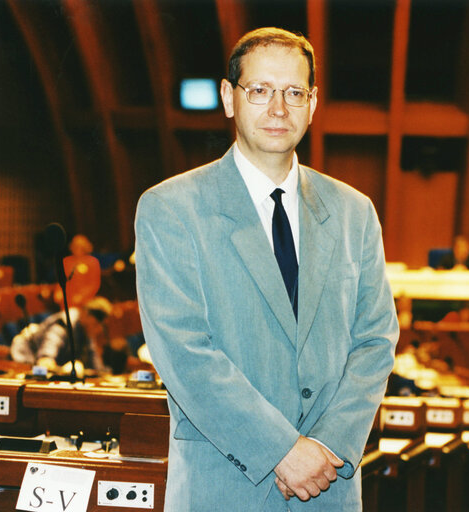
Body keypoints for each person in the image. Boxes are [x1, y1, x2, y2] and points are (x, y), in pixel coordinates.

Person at [134, 28, 399, 511]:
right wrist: (281, 450)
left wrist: (328, 447)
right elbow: (184, 352)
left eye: (294, 92)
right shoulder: (171, 208)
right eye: (259, 90)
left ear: (313, 103)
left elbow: (376, 341)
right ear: (228, 98)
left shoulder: (353, 212)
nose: (278, 108)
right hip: (224, 487)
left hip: (329, 486)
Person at [10, 296, 112, 373]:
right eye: (95, 324)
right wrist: (47, 357)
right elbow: (53, 338)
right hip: (26, 357)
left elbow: (92, 358)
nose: (98, 329)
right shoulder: (65, 322)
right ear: (85, 314)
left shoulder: (86, 330)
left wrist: (102, 374)